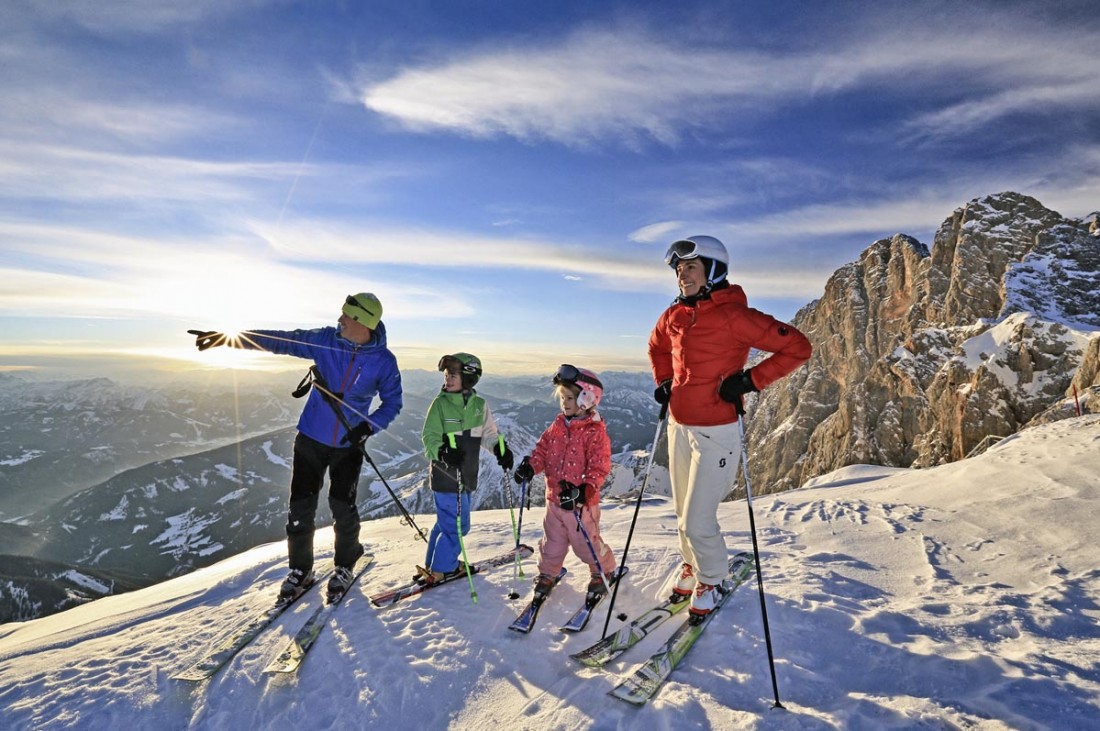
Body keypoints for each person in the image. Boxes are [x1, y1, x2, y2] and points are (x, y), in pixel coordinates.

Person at [188, 292, 403, 601]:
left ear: (361, 321)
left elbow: (393, 402)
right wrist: (228, 338)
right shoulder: (326, 340)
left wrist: (368, 426)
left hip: (348, 443)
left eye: (346, 315)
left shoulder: (384, 361)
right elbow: (283, 340)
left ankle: (345, 563)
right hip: (310, 439)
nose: (340, 319)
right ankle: (301, 569)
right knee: (300, 507)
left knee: (343, 506)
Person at [648, 235, 812, 620]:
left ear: (713, 269)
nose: (681, 275)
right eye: (678, 269)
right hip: (679, 427)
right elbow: (656, 348)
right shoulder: (674, 315)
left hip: (716, 433)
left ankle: (712, 578)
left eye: (690, 267)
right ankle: (693, 565)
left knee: (698, 519)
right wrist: (663, 381)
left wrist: (750, 381)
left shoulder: (735, 316)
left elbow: (798, 347)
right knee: (682, 513)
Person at [513, 365, 616, 600]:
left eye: (569, 397)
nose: (564, 402)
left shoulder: (595, 432)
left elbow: (599, 466)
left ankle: (603, 571)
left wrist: (584, 491)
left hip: (581, 505)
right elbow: (542, 450)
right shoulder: (557, 425)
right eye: (562, 397)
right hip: (555, 501)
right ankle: (548, 572)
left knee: (585, 544)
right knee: (552, 544)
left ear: (587, 398)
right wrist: (531, 466)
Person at [420, 352, 514, 583]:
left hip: (468, 476)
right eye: (446, 374)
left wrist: (500, 449)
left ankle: (434, 565)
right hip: (445, 476)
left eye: (453, 374)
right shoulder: (440, 405)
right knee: (459, 526)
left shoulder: (479, 406)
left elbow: (489, 435)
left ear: (469, 377)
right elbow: (428, 437)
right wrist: (442, 451)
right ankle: (444, 568)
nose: (447, 379)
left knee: (446, 524)